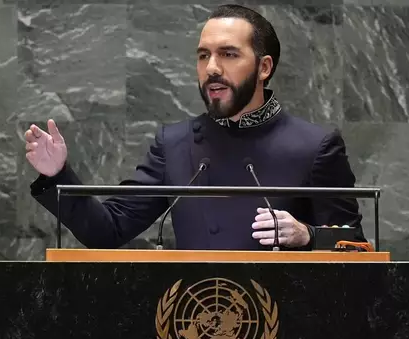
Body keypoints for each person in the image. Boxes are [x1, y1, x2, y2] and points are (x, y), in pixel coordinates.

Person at [25, 4, 365, 251]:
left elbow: (356, 247)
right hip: (192, 328)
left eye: (228, 54)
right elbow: (108, 231)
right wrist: (57, 175)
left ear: (263, 68)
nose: (211, 68)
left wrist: (307, 235)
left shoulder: (316, 146)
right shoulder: (174, 143)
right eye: (203, 56)